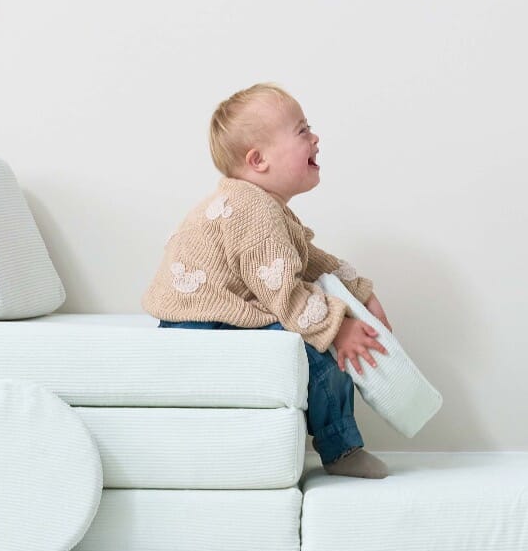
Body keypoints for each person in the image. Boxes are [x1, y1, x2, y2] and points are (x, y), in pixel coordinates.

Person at [142, 82, 391, 478]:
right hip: (199, 328)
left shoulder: (261, 205)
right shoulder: (253, 211)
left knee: (317, 328)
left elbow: (309, 259)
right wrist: (339, 327)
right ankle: (342, 449)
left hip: (206, 321)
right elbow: (286, 297)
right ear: (258, 160)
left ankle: (339, 441)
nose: (315, 138)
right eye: (302, 131)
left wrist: (361, 292)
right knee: (319, 348)